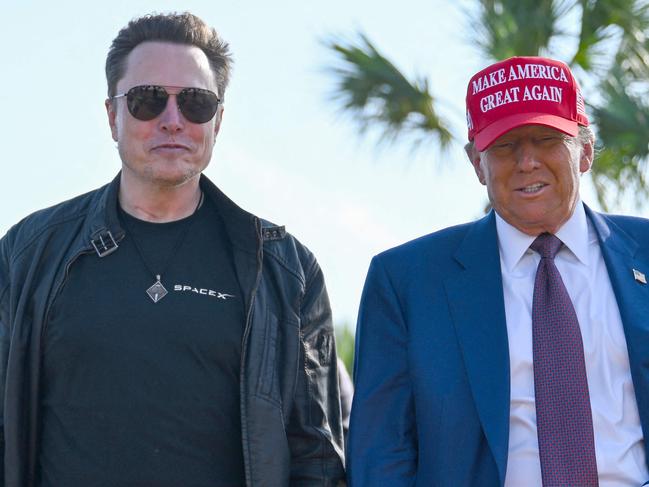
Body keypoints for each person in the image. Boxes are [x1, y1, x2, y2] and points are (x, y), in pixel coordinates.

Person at [0, 12, 345, 486]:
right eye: (147, 100)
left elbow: (317, 455)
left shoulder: (285, 270)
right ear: (111, 116)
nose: (172, 121)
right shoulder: (28, 254)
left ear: (218, 121)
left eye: (196, 103)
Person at [347, 56, 649, 486]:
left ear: (584, 150)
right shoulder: (407, 282)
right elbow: (380, 455)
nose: (527, 162)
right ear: (477, 164)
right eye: (504, 146)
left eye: (546, 139)